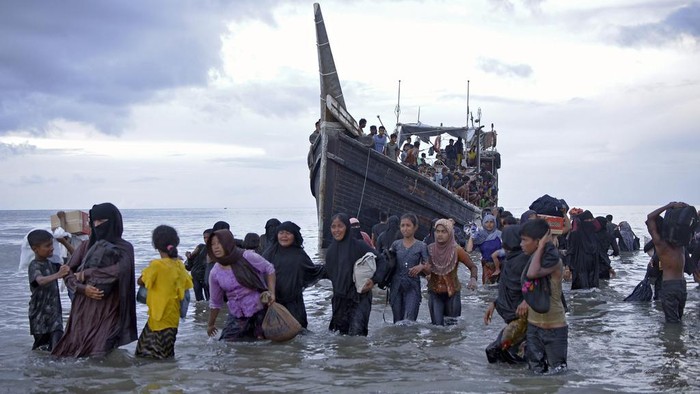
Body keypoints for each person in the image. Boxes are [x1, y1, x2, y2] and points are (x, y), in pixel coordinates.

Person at [53, 203, 137, 357]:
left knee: (101, 350)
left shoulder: (124, 248)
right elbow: (67, 272)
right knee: (77, 351)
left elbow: (120, 271)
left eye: (102, 221)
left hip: (110, 308)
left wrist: (87, 274)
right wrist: (82, 288)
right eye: (95, 222)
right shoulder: (86, 246)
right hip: (84, 309)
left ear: (113, 221)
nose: (98, 226)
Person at [321, 213, 387, 336]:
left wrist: (374, 280)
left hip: (360, 298)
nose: (336, 230)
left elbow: (381, 260)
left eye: (340, 226)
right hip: (340, 300)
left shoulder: (359, 246)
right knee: (341, 338)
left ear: (347, 227)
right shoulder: (330, 251)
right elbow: (329, 273)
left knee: (357, 337)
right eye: (333, 227)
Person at [206, 229, 276, 341]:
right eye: (212, 244)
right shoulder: (215, 272)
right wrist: (211, 324)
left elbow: (269, 269)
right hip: (237, 315)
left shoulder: (247, 256)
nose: (216, 247)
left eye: (219, 243)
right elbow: (215, 302)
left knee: (263, 346)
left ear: (228, 242)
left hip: (259, 310)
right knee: (226, 343)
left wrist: (272, 292)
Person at [135, 225, 193, 359]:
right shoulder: (179, 265)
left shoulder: (157, 265)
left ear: (155, 245)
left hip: (158, 317)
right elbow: (186, 284)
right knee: (165, 354)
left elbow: (141, 281)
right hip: (172, 317)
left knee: (146, 356)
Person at [520, 219, 568, 374]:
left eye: (525, 240)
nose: (521, 244)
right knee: (535, 374)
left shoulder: (554, 261)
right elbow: (530, 285)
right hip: (534, 326)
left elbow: (532, 274)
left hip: (554, 328)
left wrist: (541, 247)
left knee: (558, 373)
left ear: (538, 241)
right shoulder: (533, 259)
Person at [262, 221, 324, 329]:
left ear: (294, 236)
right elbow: (260, 273)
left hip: (294, 303)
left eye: (288, 233)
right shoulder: (270, 252)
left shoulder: (300, 255)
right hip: (273, 302)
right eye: (281, 233)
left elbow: (312, 271)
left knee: (298, 333)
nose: (284, 236)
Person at [484, 225, 529, 363]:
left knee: (494, 350)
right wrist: (495, 303)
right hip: (513, 317)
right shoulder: (509, 259)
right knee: (505, 353)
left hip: (521, 319)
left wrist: (526, 300)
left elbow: (531, 282)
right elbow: (506, 286)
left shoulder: (525, 260)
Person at [425, 219, 477, 326]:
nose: (440, 234)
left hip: (453, 293)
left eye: (443, 232)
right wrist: (425, 273)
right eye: (437, 231)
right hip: (434, 292)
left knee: (452, 329)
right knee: (436, 328)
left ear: (450, 233)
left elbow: (473, 266)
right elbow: (423, 269)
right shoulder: (429, 249)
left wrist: (473, 279)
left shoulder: (457, 250)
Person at [646, 202, 691, 323]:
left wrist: (668, 206)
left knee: (671, 323)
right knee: (679, 320)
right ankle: (680, 341)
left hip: (669, 286)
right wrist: (684, 209)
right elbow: (687, 223)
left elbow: (650, 217)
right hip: (682, 285)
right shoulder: (681, 244)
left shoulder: (661, 245)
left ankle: (671, 341)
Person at [27, 230, 70, 351]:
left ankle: (57, 369)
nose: (51, 248)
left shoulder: (52, 264)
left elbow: (74, 260)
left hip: (55, 315)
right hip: (39, 316)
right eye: (47, 246)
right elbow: (39, 281)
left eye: (52, 245)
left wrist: (65, 243)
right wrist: (57, 275)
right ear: (35, 249)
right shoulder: (34, 265)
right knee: (40, 349)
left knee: (57, 348)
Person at [388, 213, 429, 323]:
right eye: (402, 225)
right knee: (397, 322)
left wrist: (421, 266)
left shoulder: (421, 246)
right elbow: (388, 262)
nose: (405, 228)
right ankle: (397, 341)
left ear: (415, 227)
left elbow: (429, 267)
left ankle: (409, 341)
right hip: (396, 286)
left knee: (409, 321)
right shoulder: (395, 245)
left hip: (412, 286)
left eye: (408, 225)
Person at [566, 210, 608, 290]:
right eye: (587, 220)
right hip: (580, 266)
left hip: (593, 267)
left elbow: (599, 253)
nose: (590, 222)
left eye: (591, 220)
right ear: (582, 222)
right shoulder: (575, 235)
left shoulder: (595, 235)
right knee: (580, 290)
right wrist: (567, 267)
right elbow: (570, 251)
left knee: (593, 291)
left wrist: (608, 267)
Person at [467, 214, 502, 285]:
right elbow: (469, 250)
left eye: (491, 222)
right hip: (487, 266)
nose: (489, 224)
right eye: (486, 222)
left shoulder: (500, 235)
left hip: (501, 266)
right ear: (483, 223)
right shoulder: (480, 236)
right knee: (487, 289)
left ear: (495, 223)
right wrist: (471, 236)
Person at [185, 229, 212, 301]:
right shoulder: (200, 247)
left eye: (208, 237)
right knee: (199, 299)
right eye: (204, 237)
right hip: (196, 275)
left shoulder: (215, 249)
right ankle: (200, 311)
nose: (206, 239)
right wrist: (188, 255)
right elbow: (191, 256)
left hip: (206, 277)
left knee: (209, 298)